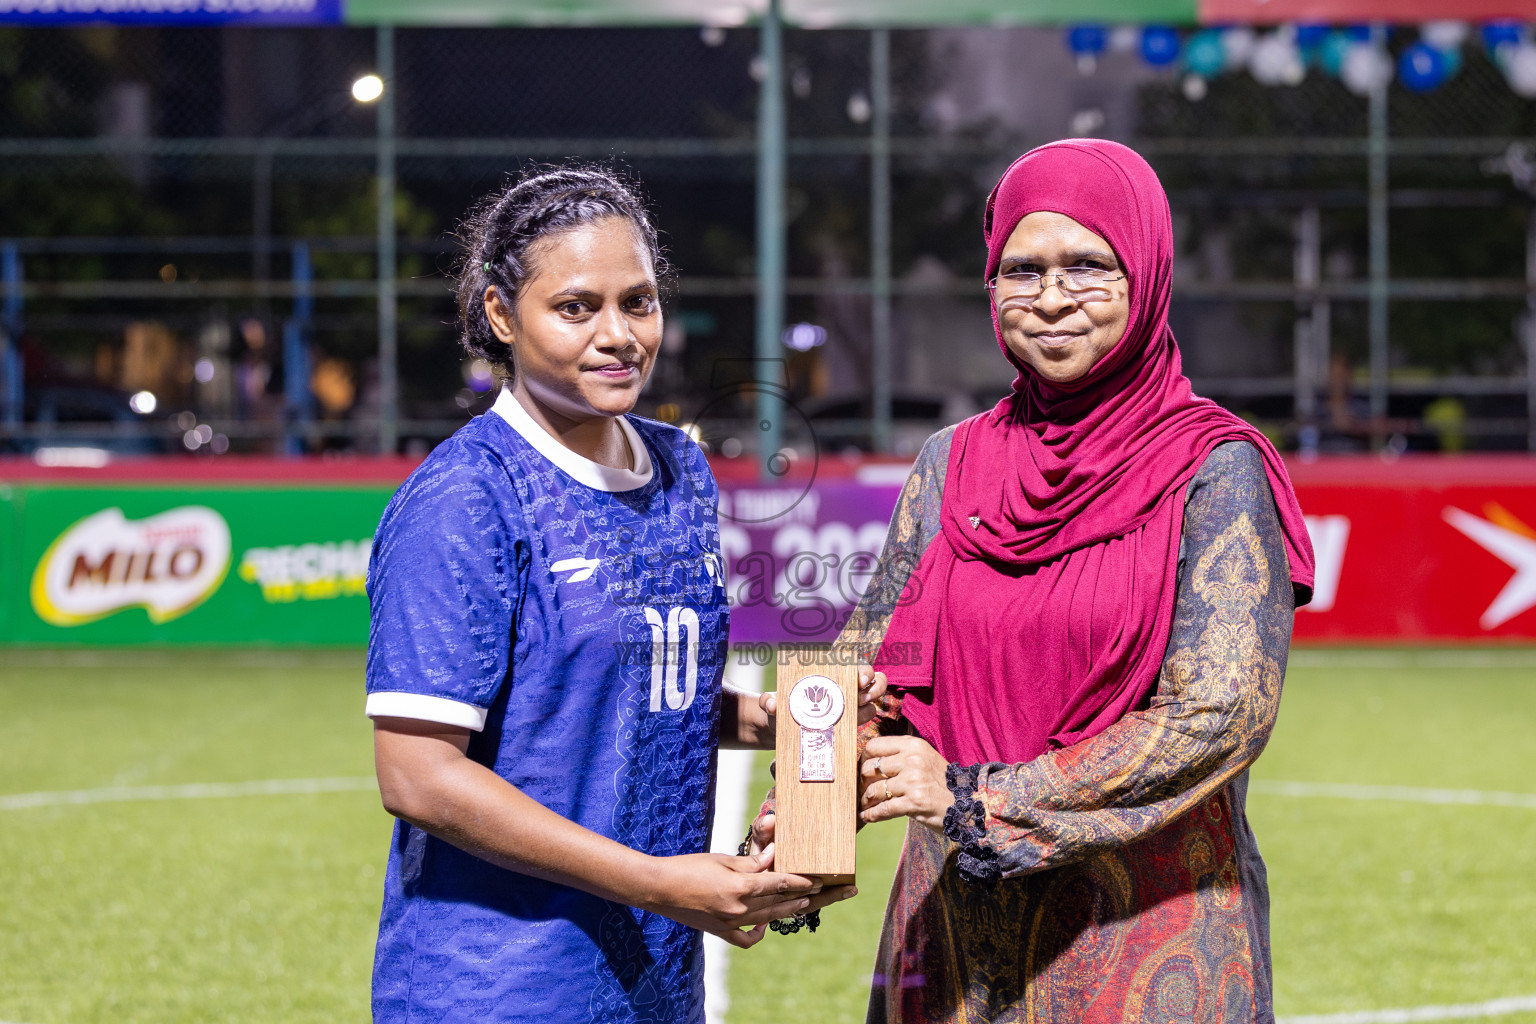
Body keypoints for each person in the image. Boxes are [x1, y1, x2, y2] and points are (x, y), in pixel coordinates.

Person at [753, 140, 1316, 1022]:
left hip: (1144, 936)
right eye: (1022, 270)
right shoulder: (954, 462)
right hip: (950, 942)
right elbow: (869, 663)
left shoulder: (1214, 465)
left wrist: (976, 797)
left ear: (1147, 272)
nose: (1050, 298)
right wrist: (805, 807)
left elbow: (1220, 714)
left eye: (1087, 265)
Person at [363, 166, 863, 1024]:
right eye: (575, 307)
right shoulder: (468, 498)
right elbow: (418, 776)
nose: (618, 334)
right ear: (497, 315)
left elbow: (644, 694)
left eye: (638, 302)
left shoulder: (680, 468)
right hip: (502, 985)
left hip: (653, 976)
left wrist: (790, 719)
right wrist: (658, 882)